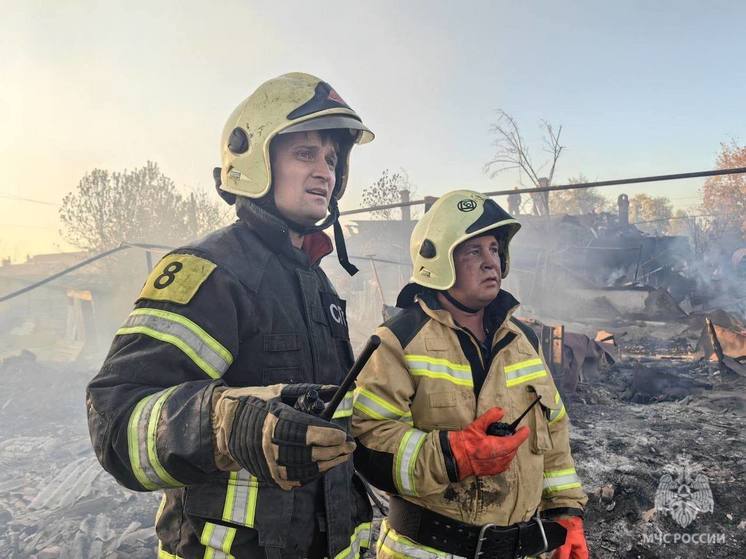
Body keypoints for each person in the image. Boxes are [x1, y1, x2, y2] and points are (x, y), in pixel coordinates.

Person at [86, 72, 375, 559]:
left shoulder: (317, 282)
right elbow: (115, 422)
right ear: (255, 158)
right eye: (305, 154)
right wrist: (225, 425)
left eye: (331, 158)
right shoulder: (210, 271)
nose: (325, 171)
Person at [352, 190, 589, 559]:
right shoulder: (398, 341)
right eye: (473, 251)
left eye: (494, 249)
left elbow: (554, 429)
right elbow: (370, 443)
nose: (490, 262)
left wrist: (566, 512)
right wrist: (453, 455)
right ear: (439, 260)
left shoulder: (523, 340)